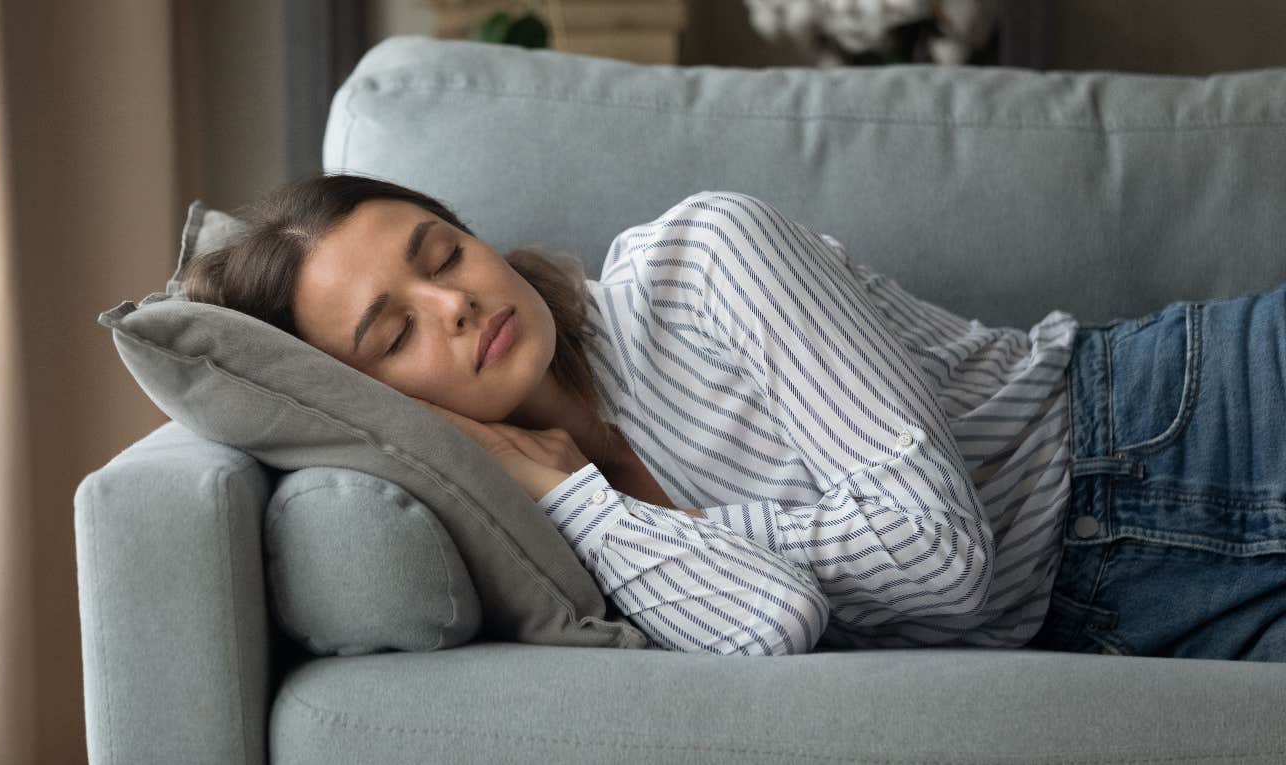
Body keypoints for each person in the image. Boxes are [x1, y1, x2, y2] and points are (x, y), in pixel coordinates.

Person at [181, 172, 1286, 661]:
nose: (456, 303)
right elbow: (770, 627)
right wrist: (579, 500)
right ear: (380, 399)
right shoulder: (538, 519)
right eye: (394, 334)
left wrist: (664, 528)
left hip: (1181, 419)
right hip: (1116, 623)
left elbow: (941, 555)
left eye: (442, 253)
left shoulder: (702, 258)